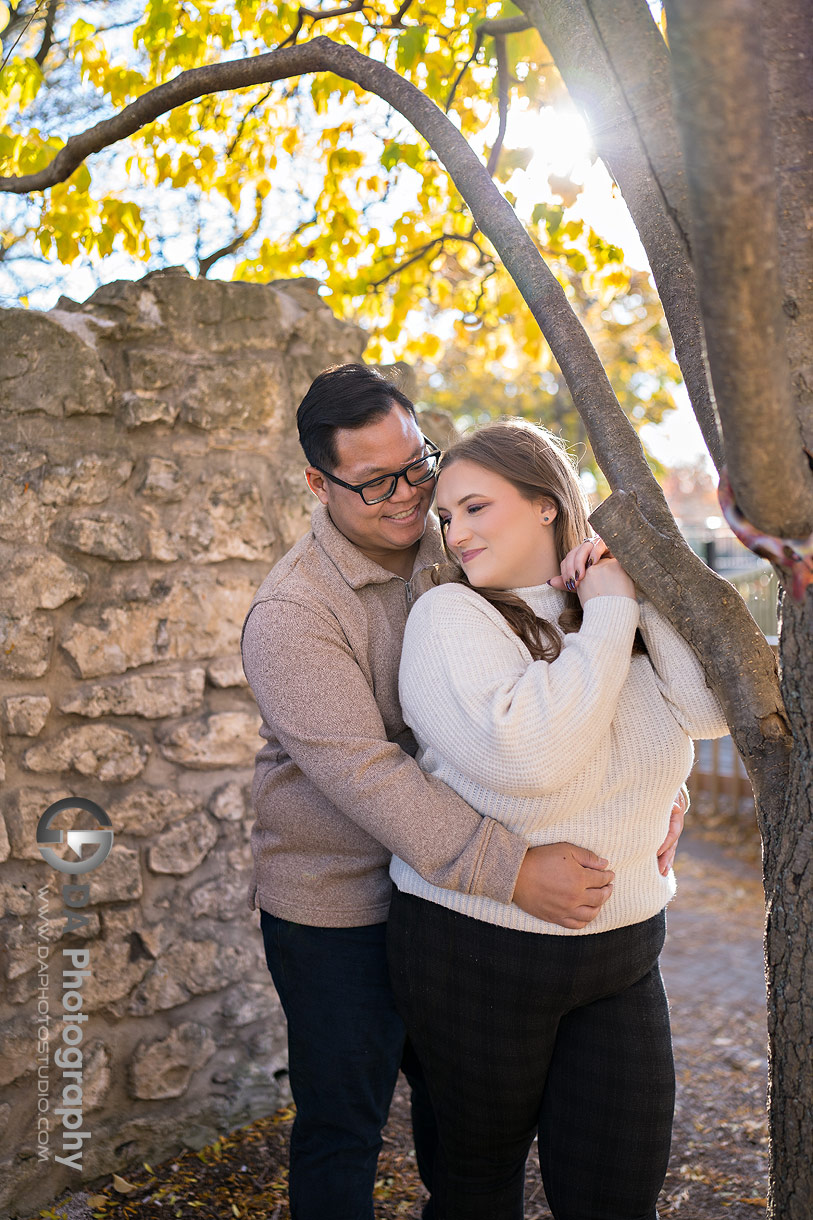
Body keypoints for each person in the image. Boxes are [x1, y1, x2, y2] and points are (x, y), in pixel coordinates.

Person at [240, 367, 686, 1220]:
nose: (410, 495)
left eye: (417, 464)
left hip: (452, 903)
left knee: (459, 1133)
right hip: (341, 898)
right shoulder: (293, 613)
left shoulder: (459, 539)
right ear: (318, 485)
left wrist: (656, 795)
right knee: (344, 1123)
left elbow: (596, 691)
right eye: (375, 482)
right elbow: (369, 774)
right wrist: (510, 869)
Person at [387, 419, 727, 1220]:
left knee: (617, 1195)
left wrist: (632, 591)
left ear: (545, 503)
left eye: (475, 507)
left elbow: (708, 712)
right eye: (446, 517)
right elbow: (529, 759)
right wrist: (607, 618)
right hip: (474, 951)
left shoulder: (609, 603)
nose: (455, 534)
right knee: (476, 1193)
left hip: (624, 951)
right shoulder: (449, 617)